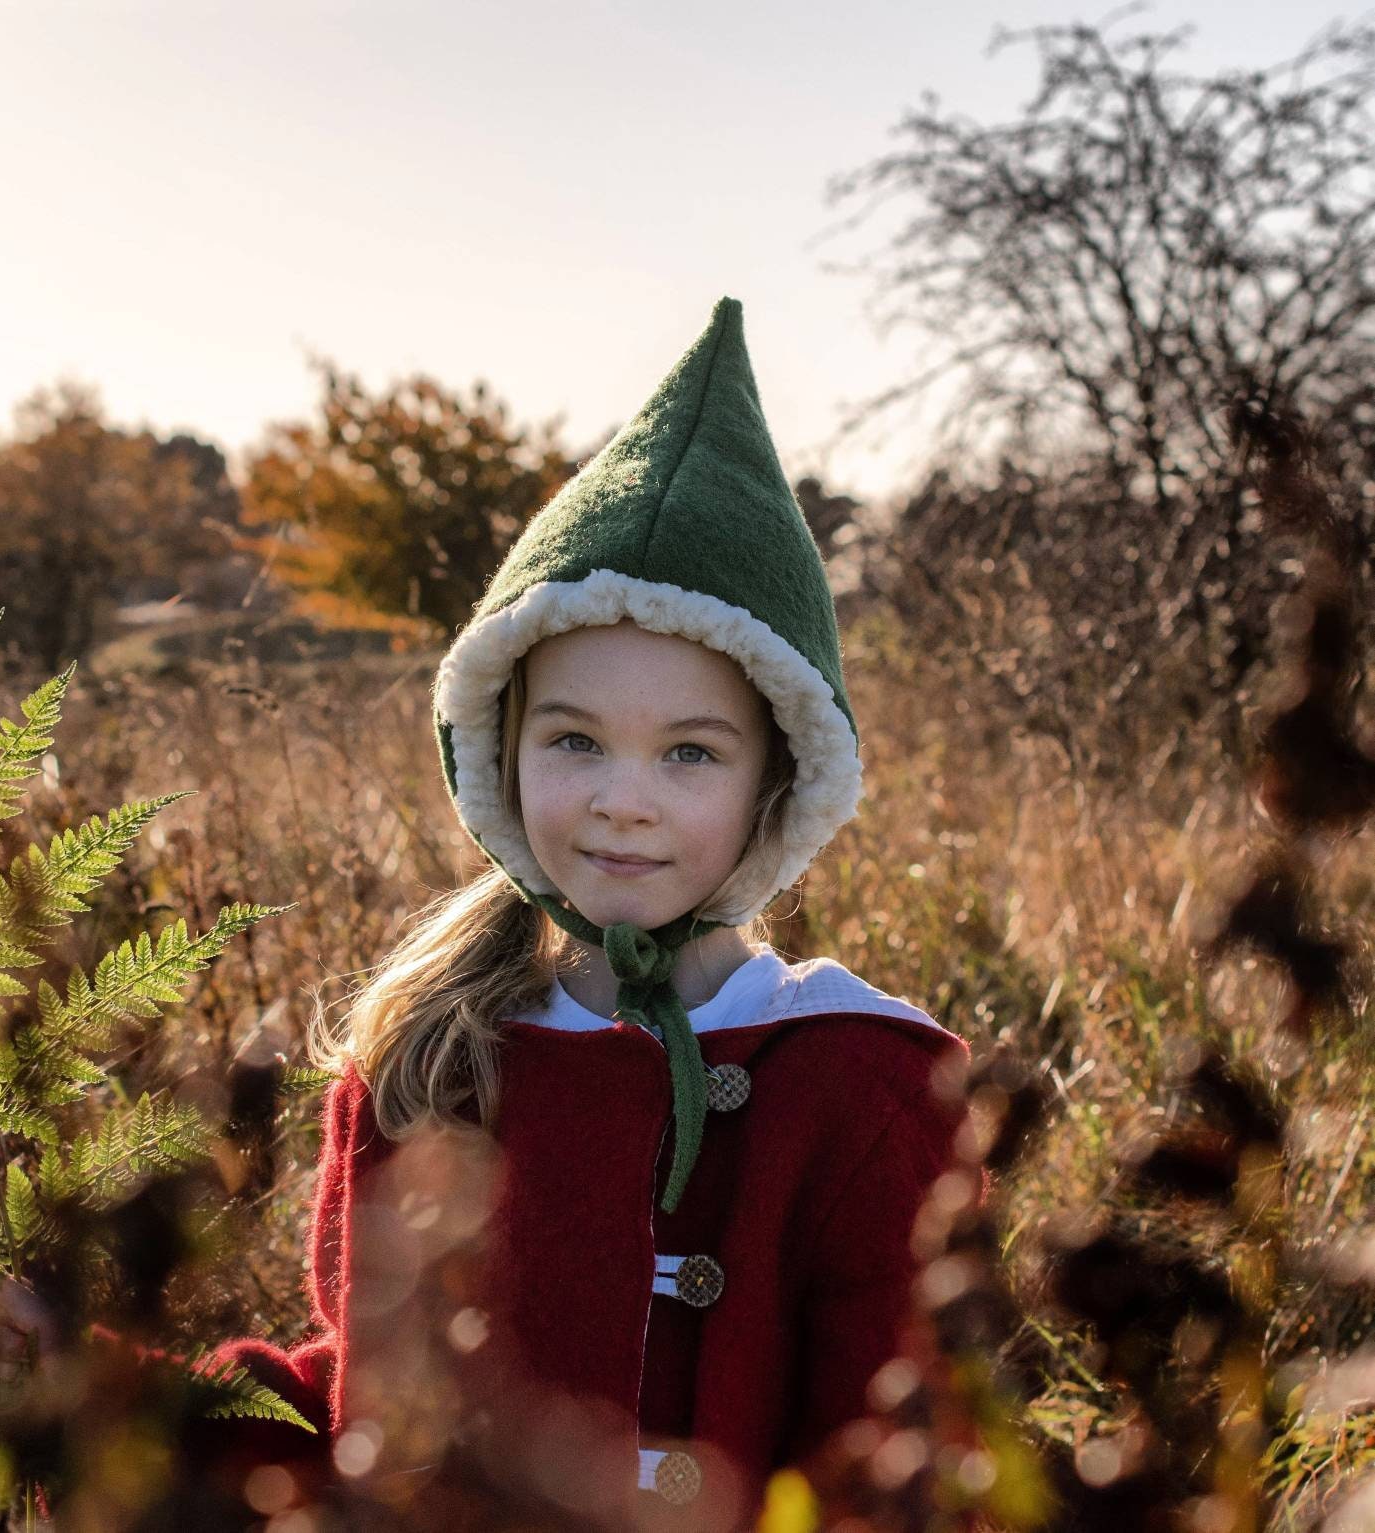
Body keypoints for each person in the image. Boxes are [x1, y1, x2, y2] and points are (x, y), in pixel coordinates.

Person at [204, 295, 977, 1531]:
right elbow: (366, 1406)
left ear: (776, 779)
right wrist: (147, 1412)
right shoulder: (424, 1055)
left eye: (689, 754)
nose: (624, 802)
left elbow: (893, 1469)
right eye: (574, 739)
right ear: (499, 754)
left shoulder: (856, 1078)